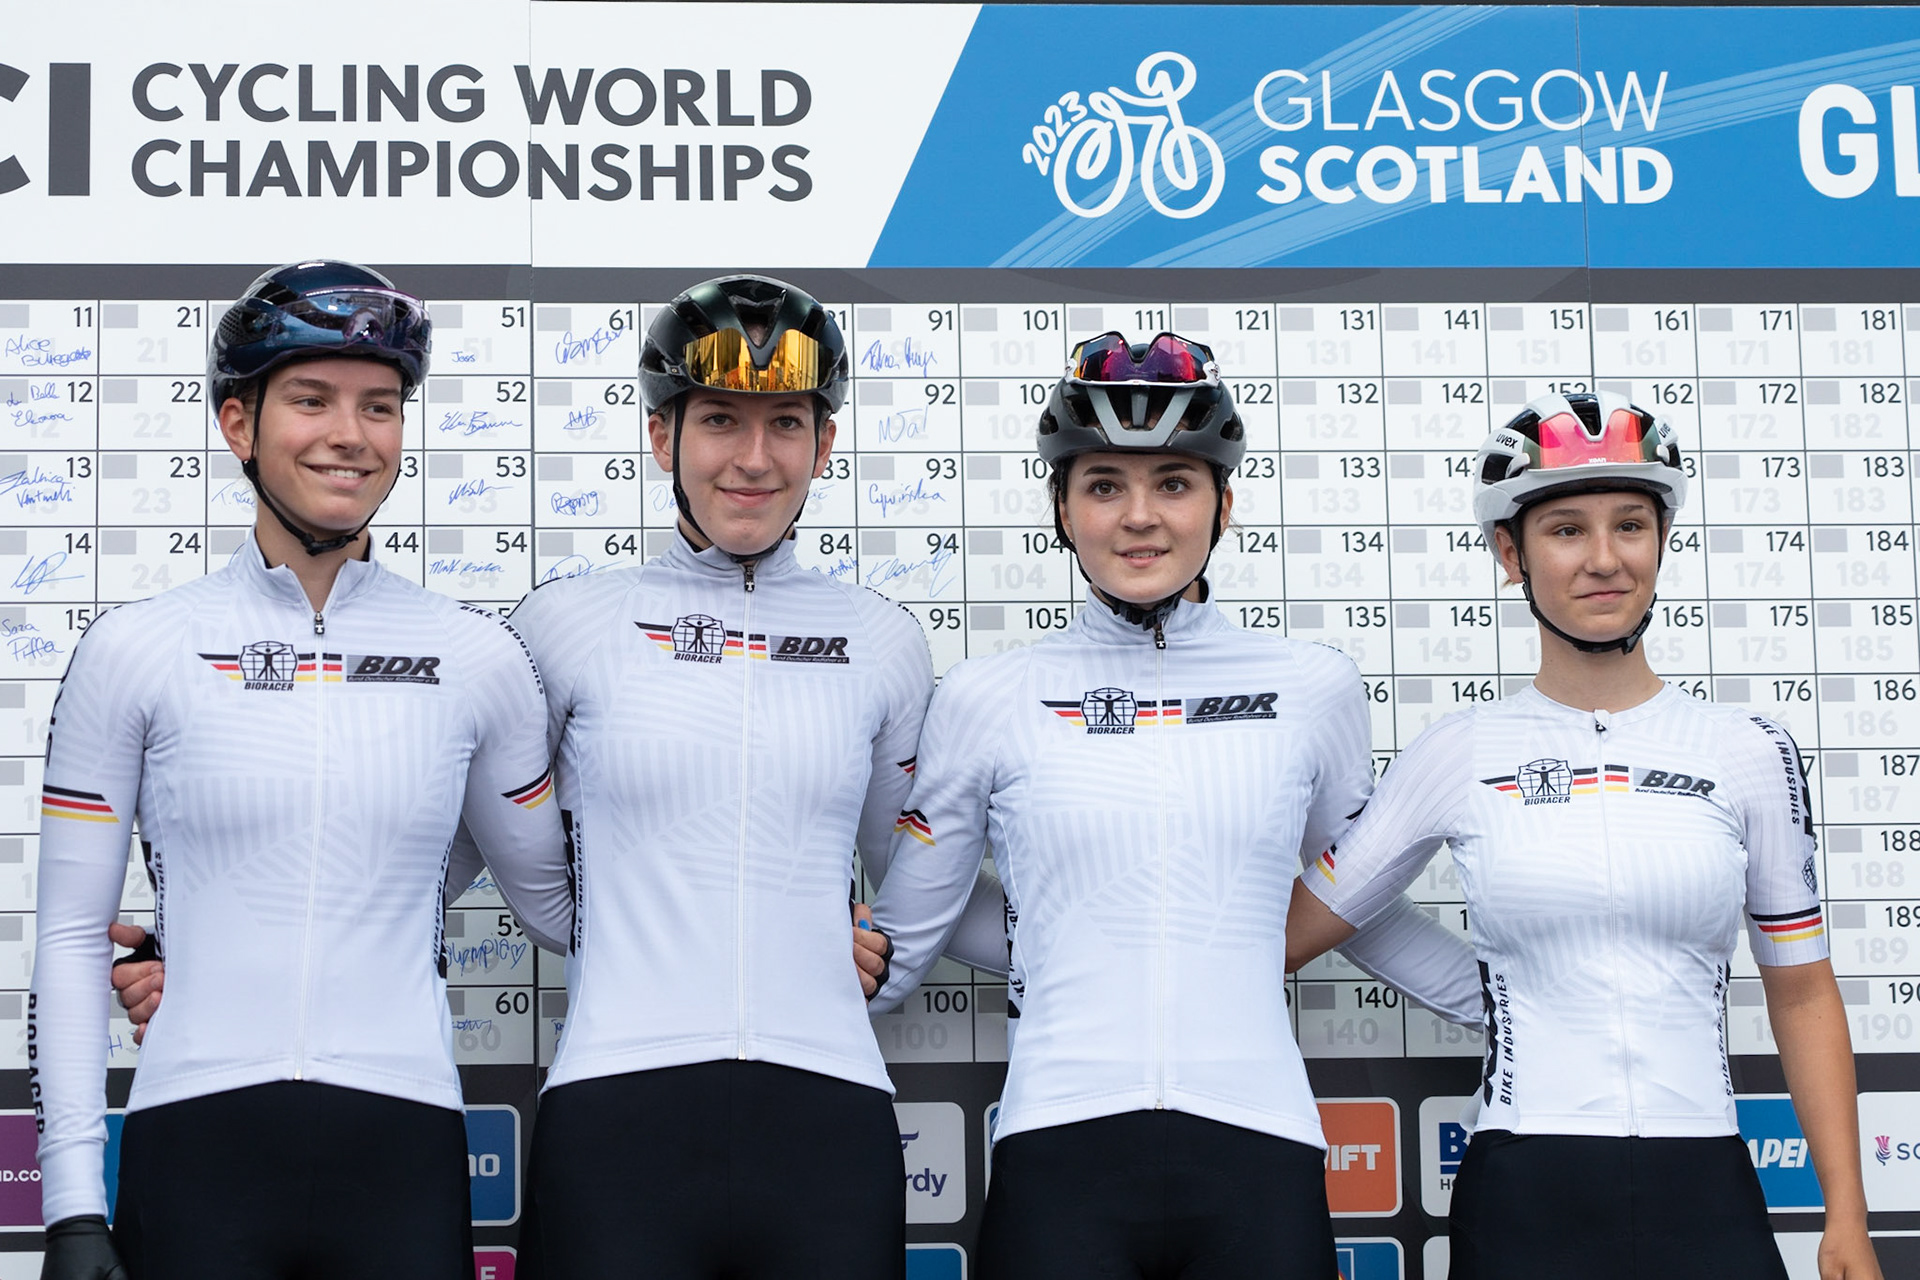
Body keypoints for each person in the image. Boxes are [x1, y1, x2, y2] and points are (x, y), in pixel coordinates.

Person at [865, 331, 1483, 1279]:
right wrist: (1050, 937)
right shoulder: (988, 697)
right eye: (1104, 484)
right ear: (1062, 509)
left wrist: (1513, 1007)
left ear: (1224, 504)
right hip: (1058, 1152)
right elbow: (914, 925)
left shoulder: (1311, 686)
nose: (1140, 516)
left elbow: (1354, 905)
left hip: (1259, 1149)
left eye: (1175, 483)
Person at [33, 260, 573, 1280]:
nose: (351, 434)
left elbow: (559, 902)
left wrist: (795, 909)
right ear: (239, 424)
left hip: (403, 1148)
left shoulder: (477, 655)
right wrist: (69, 1208)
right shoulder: (135, 648)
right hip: (196, 1144)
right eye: (312, 399)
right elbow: (67, 936)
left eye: (380, 406)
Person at [1285, 393, 1883, 1280]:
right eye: (1566, 530)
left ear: (1661, 540)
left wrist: (1848, 1216)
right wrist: (1489, 992)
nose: (1605, 559)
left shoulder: (1749, 749)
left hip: (1706, 1182)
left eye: (1630, 525)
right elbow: (1311, 923)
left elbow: (1800, 995)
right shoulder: (1460, 750)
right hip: (1526, 1191)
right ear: (1510, 553)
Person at [499, 274, 1000, 1279]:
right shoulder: (565, 623)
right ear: (662, 437)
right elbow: (491, 855)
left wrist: (875, 949)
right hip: (616, 1111)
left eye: (787, 424)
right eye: (721, 419)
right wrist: (632, 925)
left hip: (827, 1116)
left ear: (824, 444)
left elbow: (910, 868)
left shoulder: (881, 639)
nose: (755, 457)